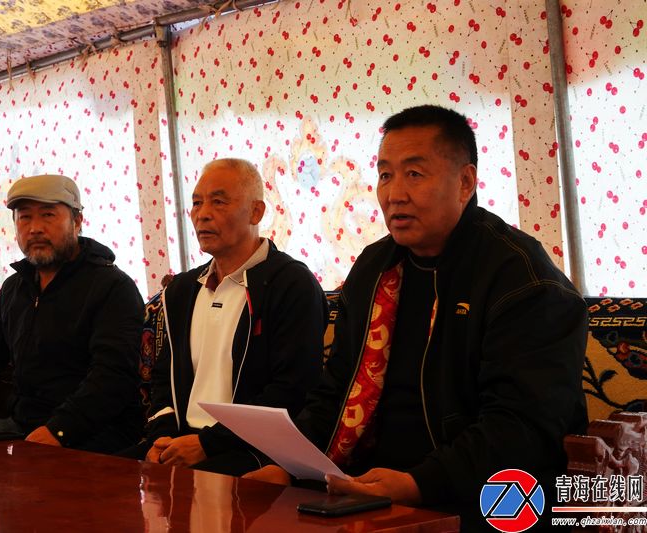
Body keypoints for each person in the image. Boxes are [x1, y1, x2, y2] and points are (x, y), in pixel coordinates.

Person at [246, 105, 588, 518]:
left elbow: (523, 428)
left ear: (465, 182)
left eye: (414, 174)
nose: (394, 194)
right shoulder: (374, 269)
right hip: (367, 484)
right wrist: (287, 468)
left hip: (489, 498)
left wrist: (418, 484)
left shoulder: (523, 281)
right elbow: (335, 392)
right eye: (385, 175)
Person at [129, 158, 326, 476]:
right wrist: (161, 438)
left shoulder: (290, 284)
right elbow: (164, 378)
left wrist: (207, 444)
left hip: (250, 450)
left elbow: (292, 390)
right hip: (180, 442)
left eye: (218, 202)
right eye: (197, 202)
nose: (203, 214)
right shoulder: (182, 289)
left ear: (256, 212)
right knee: (96, 478)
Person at [0, 174, 145, 452]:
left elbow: (114, 375)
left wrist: (60, 430)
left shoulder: (113, 287)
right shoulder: (15, 288)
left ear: (77, 221)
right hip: (23, 427)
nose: (35, 228)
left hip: (95, 434)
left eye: (48, 215)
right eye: (25, 217)